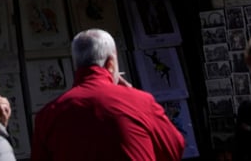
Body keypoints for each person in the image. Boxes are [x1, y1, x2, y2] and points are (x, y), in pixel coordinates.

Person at [32, 28, 184, 161]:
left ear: (76, 64)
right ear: (110, 63)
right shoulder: (141, 101)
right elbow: (174, 148)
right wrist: (131, 95)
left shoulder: (48, 115)